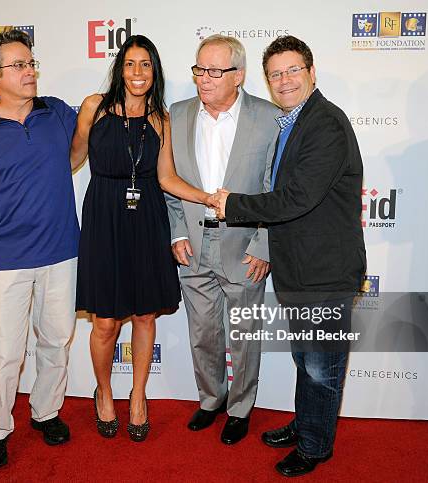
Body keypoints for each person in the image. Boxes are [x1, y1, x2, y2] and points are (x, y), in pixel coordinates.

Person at [213, 35, 366, 476]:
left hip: (325, 272)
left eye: (293, 70)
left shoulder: (325, 124)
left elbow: (296, 198)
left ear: (311, 72)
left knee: (321, 367)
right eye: (276, 73)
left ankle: (316, 446)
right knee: (305, 359)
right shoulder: (295, 122)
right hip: (299, 268)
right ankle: (306, 423)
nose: (284, 80)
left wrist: (233, 204)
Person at [71, 35, 212, 442]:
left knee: (145, 315)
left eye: (146, 65)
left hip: (147, 219)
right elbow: (72, 158)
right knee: (105, 321)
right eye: (130, 64)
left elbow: (166, 178)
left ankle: (138, 396)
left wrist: (206, 198)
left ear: (156, 71)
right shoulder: (93, 108)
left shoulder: (161, 119)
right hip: (104, 219)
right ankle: (103, 391)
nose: (138, 73)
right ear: (120, 68)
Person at [0, 29, 79, 469]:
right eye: (19, 65)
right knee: (4, 353)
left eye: (31, 63)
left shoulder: (59, 113)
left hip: (63, 252)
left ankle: (46, 412)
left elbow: (85, 144)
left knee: (56, 341)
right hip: (7, 261)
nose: (30, 71)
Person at [165, 34, 279, 445]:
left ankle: (241, 408)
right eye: (199, 70)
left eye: (215, 71)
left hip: (245, 246)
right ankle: (211, 399)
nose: (204, 79)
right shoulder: (176, 115)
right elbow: (171, 184)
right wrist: (177, 230)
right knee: (203, 332)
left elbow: (274, 188)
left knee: (244, 335)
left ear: (240, 75)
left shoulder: (269, 118)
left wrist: (263, 244)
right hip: (194, 245)